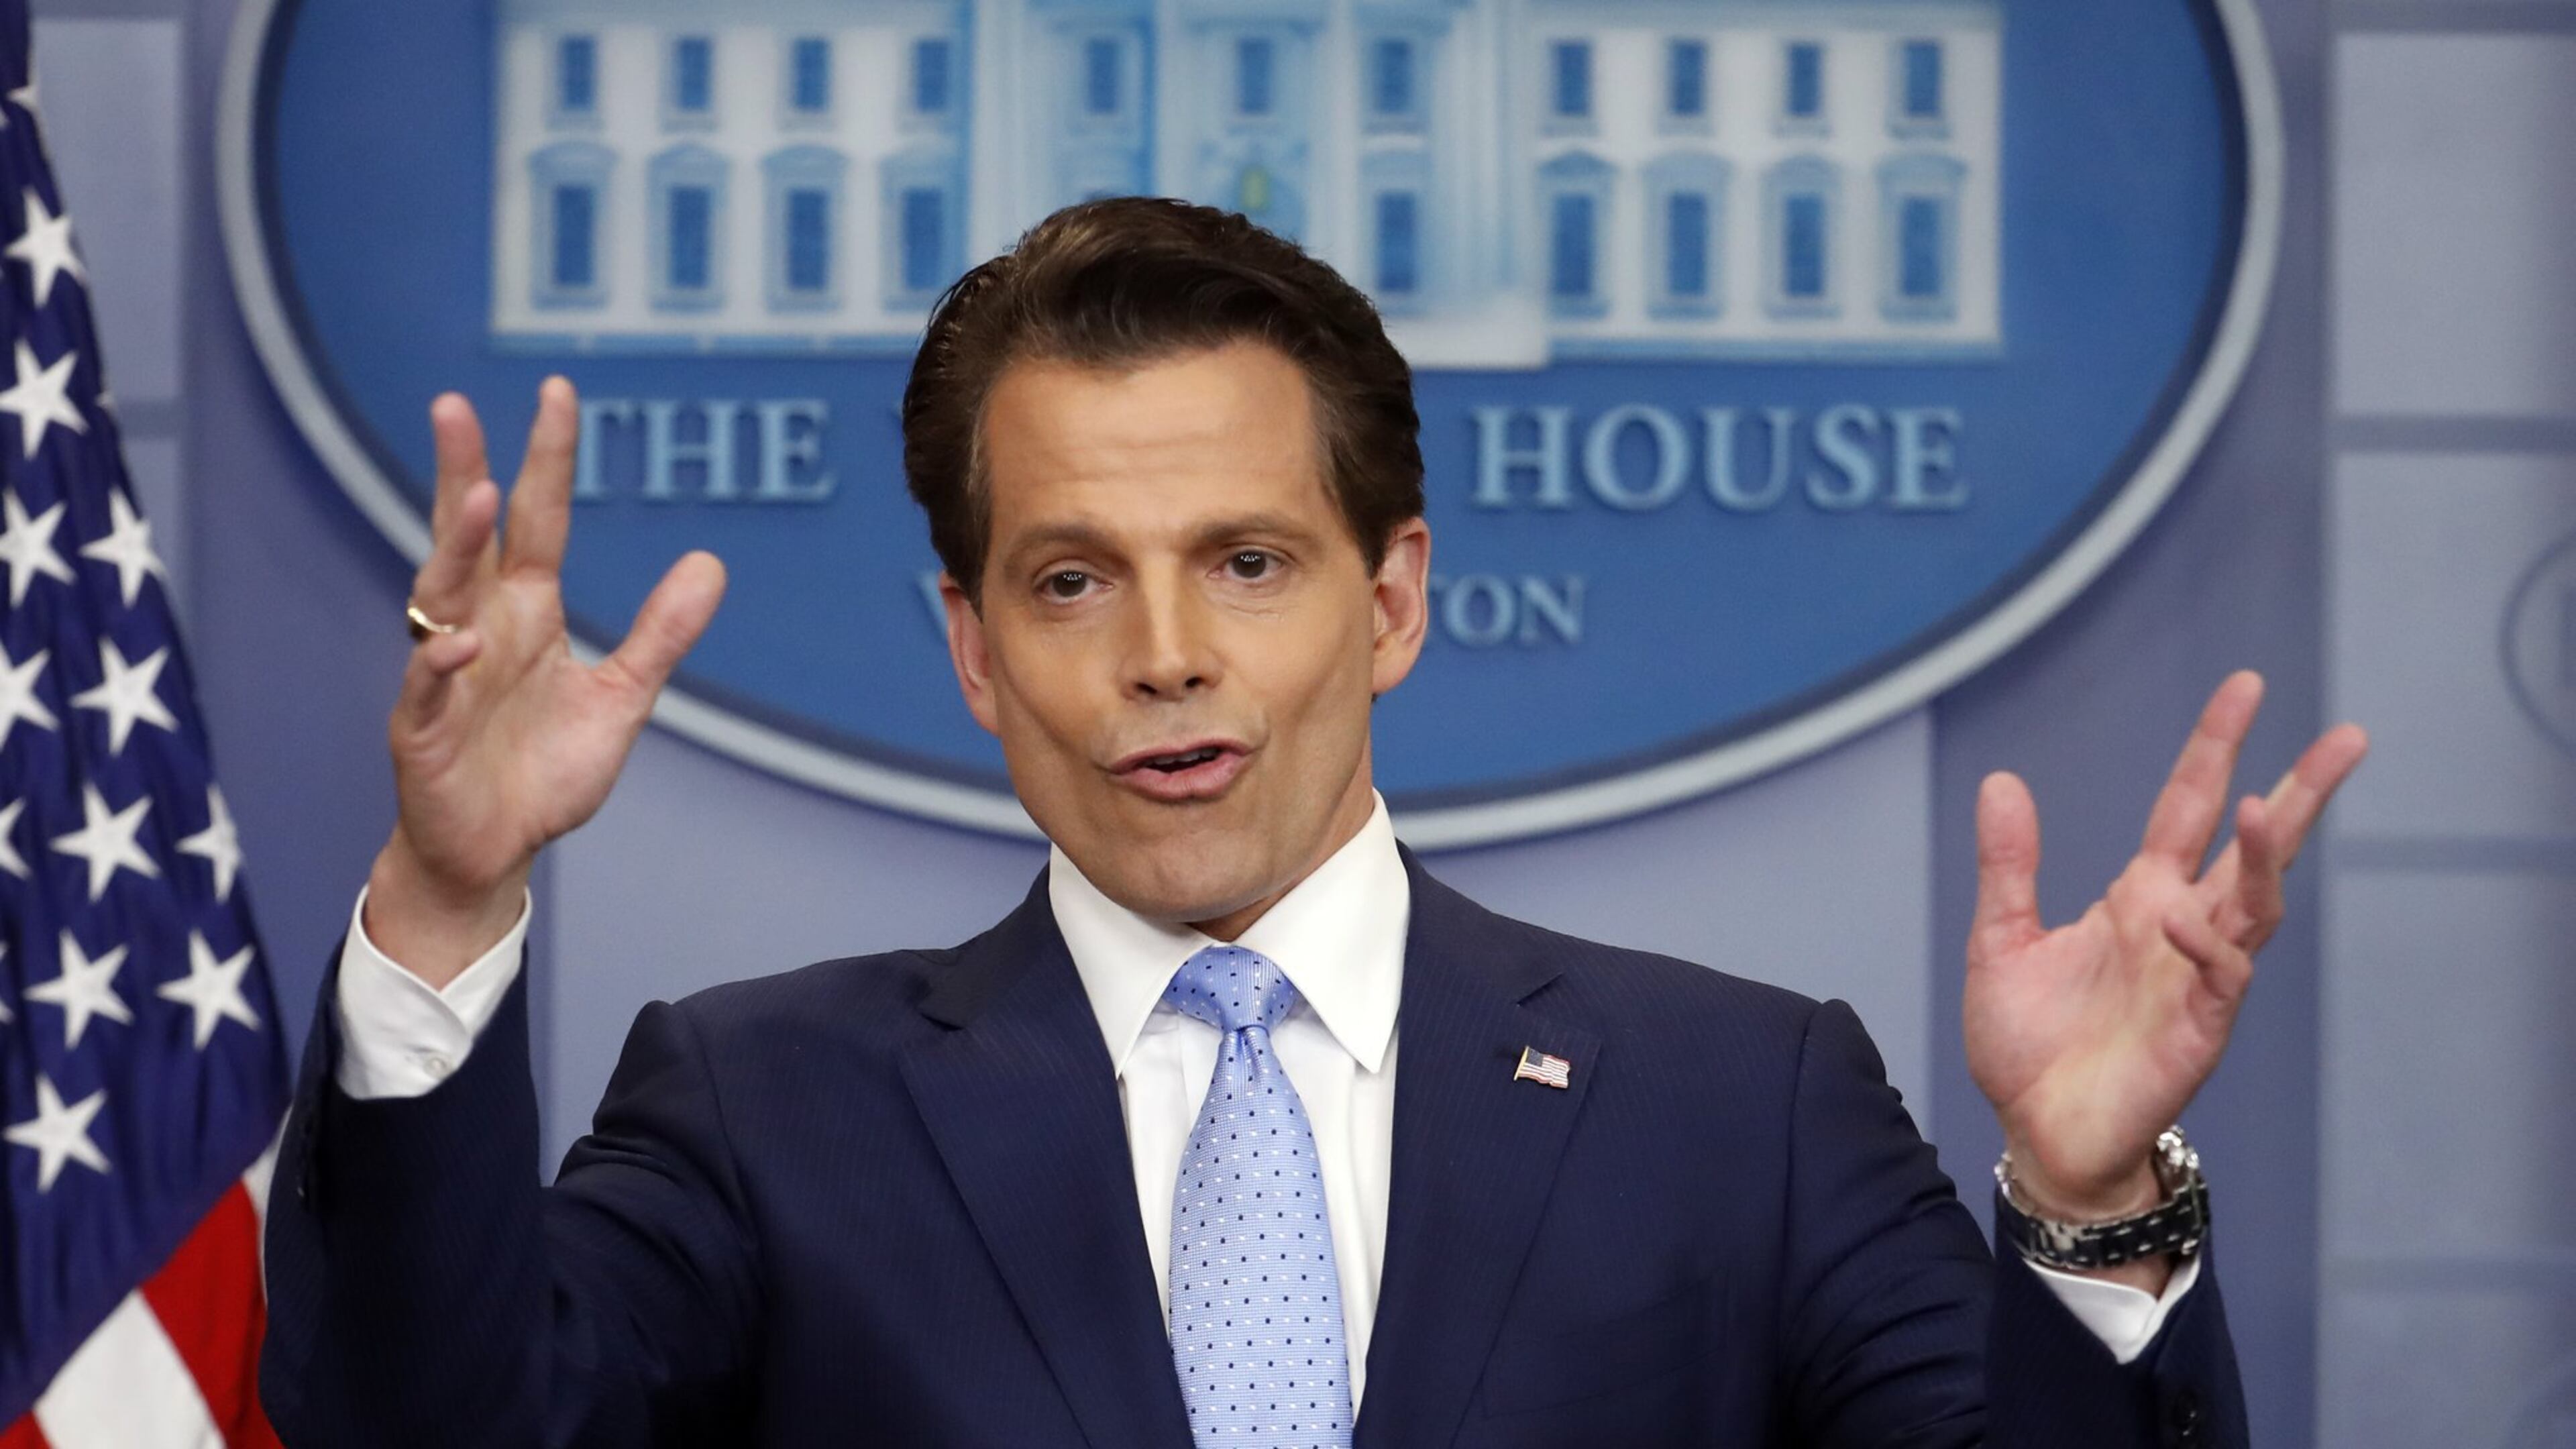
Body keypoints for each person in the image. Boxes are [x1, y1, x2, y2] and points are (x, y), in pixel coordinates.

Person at [258, 198, 2367, 1448]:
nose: (1163, 654)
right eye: (1071, 579)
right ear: (977, 653)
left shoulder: (1746, 1100)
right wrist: (454, 896)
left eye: (1248, 562)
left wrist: (2085, 1202)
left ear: (1393, 599)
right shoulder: (757, 1103)